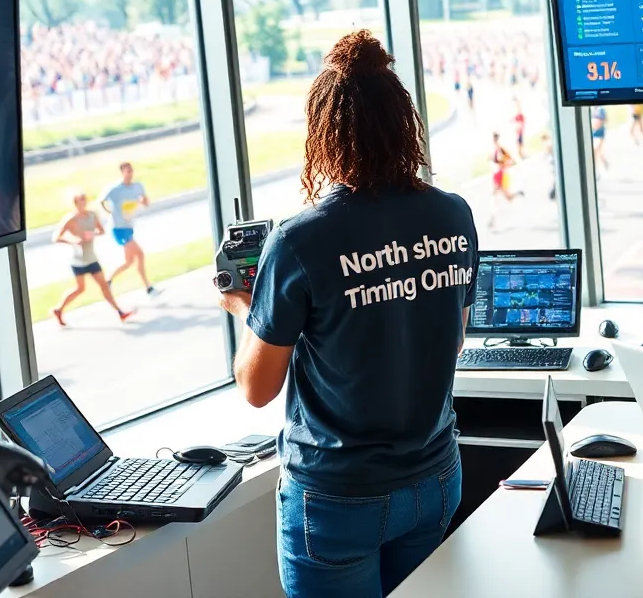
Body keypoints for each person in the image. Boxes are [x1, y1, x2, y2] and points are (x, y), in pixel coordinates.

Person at [216, 30, 477, 598]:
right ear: (403, 123)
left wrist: (245, 308)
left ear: (323, 134)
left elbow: (258, 388)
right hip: (435, 477)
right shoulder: (454, 215)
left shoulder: (300, 240)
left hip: (338, 498)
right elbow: (449, 342)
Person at [51, 192, 134, 326]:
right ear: (75, 203)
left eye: (84, 199)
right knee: (80, 289)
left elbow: (101, 231)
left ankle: (120, 312)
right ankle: (58, 309)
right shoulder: (71, 219)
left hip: (91, 258)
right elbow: (56, 238)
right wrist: (73, 241)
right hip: (78, 260)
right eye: (80, 200)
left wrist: (91, 234)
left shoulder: (92, 215)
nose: (83, 202)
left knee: (104, 286)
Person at [101, 162, 155, 295]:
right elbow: (102, 201)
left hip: (129, 227)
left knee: (128, 262)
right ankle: (148, 287)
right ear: (122, 173)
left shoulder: (137, 187)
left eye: (131, 171)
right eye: (127, 171)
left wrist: (143, 202)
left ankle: (108, 280)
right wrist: (109, 213)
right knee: (140, 254)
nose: (130, 174)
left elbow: (146, 202)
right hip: (119, 228)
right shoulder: (115, 189)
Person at [489, 132, 523, 231]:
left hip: (500, 175)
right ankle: (493, 219)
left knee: (500, 197)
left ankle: (494, 220)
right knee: (498, 197)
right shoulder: (495, 149)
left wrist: (503, 165)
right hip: (498, 174)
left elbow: (509, 160)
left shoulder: (500, 150)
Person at [590, 106, 610, 171]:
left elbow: (606, 120)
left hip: (600, 134)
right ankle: (604, 162)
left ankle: (595, 170)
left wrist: (598, 124)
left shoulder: (601, 109)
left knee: (595, 150)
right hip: (593, 134)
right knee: (598, 152)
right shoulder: (591, 109)